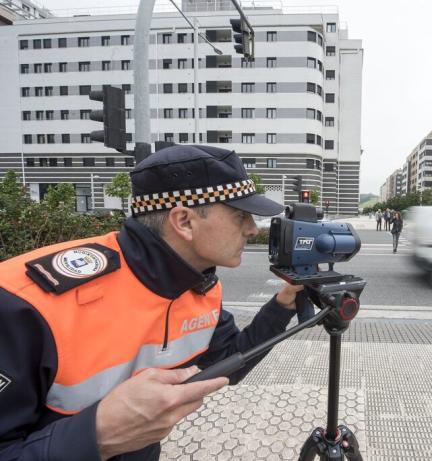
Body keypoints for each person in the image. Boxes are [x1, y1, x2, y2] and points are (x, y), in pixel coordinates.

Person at [0, 145, 312, 461]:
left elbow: (231, 362)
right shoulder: (24, 304)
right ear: (184, 221)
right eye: (240, 215)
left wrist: (283, 304)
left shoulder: (197, 286)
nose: (251, 229)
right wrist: (99, 436)